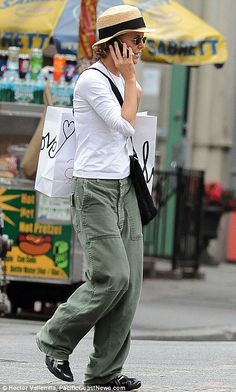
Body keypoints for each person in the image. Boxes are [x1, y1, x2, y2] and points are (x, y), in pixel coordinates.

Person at [36, 4, 153, 391]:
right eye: (136, 40)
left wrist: (131, 80)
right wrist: (132, 78)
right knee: (111, 275)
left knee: (131, 283)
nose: (140, 47)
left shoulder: (122, 80)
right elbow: (123, 127)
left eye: (142, 40)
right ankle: (54, 339)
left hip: (124, 188)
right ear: (114, 43)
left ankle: (104, 372)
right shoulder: (92, 80)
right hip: (95, 190)